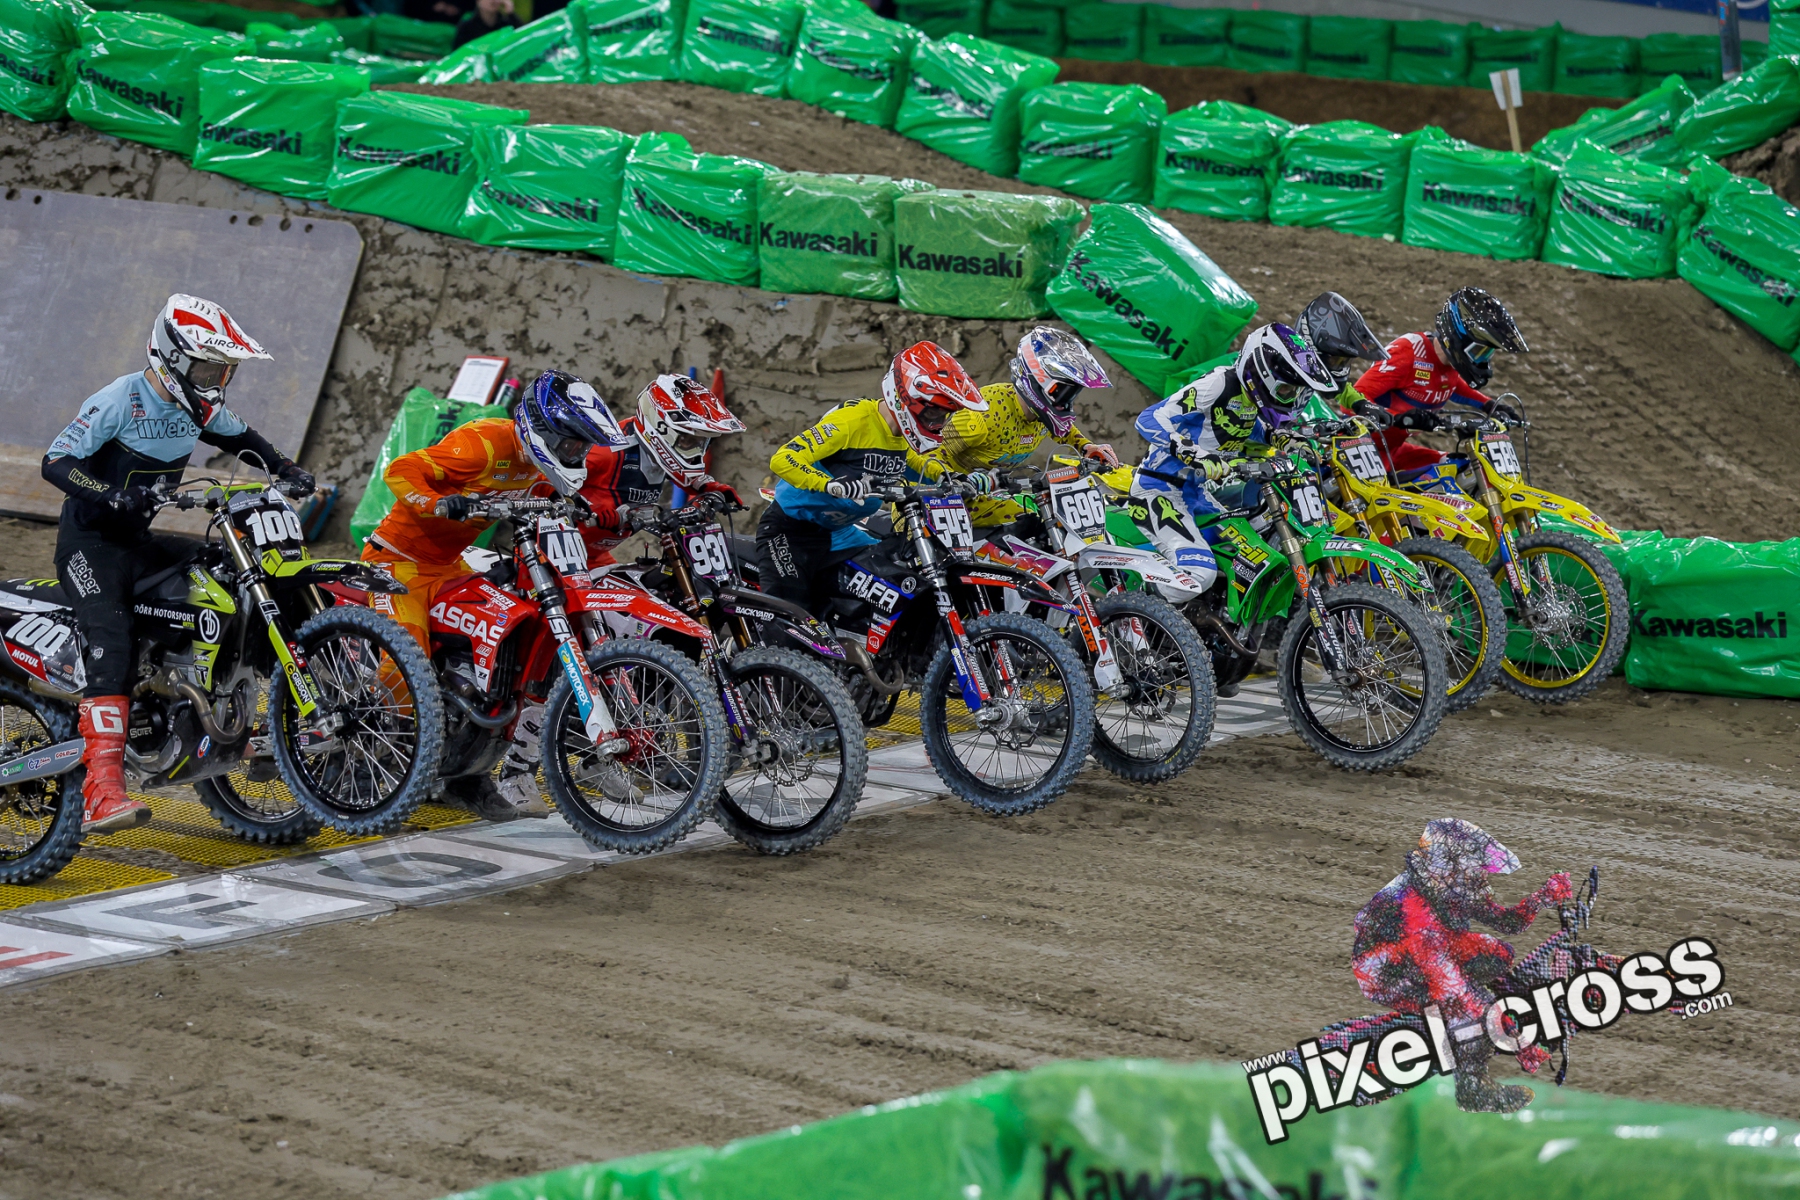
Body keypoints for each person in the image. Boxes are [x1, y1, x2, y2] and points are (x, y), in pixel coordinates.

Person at [41, 295, 314, 834]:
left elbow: (245, 440)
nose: (217, 379)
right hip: (90, 545)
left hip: (139, 541)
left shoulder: (199, 408)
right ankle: (101, 790)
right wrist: (110, 495)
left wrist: (287, 468)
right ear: (171, 358)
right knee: (112, 640)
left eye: (224, 370)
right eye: (209, 368)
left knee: (229, 574)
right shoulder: (121, 398)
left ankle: (220, 711)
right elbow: (56, 461)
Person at [362, 369, 627, 821]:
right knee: (406, 658)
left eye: (582, 447)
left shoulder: (545, 469)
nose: (577, 454)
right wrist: (437, 502)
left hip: (453, 565)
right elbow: (401, 470)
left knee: (506, 652)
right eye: (571, 445)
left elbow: (557, 505)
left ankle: (466, 776)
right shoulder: (483, 444)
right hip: (396, 562)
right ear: (543, 431)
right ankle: (368, 758)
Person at [1351, 818, 1572, 1114]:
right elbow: (1457, 994)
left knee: (1498, 955)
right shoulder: (1419, 918)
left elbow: (1507, 922)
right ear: (1447, 868)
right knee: (1466, 1014)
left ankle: (1475, 1013)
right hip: (1388, 972)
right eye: (1474, 868)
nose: (1480, 876)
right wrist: (1519, 1042)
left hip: (1430, 946)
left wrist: (1541, 898)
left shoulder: (1448, 886)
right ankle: (1472, 1088)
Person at [756, 342, 985, 613]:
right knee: (792, 619)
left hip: (840, 534)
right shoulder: (853, 421)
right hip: (791, 532)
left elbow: (909, 461)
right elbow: (784, 458)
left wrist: (949, 477)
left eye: (945, 415)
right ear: (905, 397)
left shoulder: (899, 432)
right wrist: (829, 484)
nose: (938, 422)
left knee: (900, 588)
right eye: (934, 412)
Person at [927, 326, 1119, 530]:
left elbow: (1064, 430)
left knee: (1035, 525)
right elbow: (927, 454)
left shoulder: (1040, 415)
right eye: (1062, 393)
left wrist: (1086, 447)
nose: (1066, 404)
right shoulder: (980, 417)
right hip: (939, 502)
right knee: (1022, 523)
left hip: (987, 495)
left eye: (1071, 396)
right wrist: (956, 479)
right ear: (1039, 382)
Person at [1347, 287, 1528, 476]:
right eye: (1479, 352)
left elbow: (1450, 385)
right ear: (1460, 339)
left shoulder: (1448, 363)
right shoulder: (1408, 352)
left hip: (1393, 450)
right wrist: (1399, 418)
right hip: (1360, 451)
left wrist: (1489, 405)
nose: (1483, 361)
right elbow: (1352, 402)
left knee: (1464, 469)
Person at [572, 374, 745, 566]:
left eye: (701, 443)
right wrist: (588, 508)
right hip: (555, 554)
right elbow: (548, 484)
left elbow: (684, 473)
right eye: (688, 440)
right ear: (660, 426)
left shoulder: (655, 450)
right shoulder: (605, 452)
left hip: (593, 556)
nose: (695, 450)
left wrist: (710, 488)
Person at [1292, 290, 1388, 417]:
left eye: (1344, 362)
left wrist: (1359, 403)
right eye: (1335, 360)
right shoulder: (1283, 366)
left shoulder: (1306, 367)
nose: (1340, 367)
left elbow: (1334, 386)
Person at [452, 0, 522, 48]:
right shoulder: (467, 26)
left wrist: (511, 14)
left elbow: (523, 38)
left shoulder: (507, 23)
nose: (493, 1)